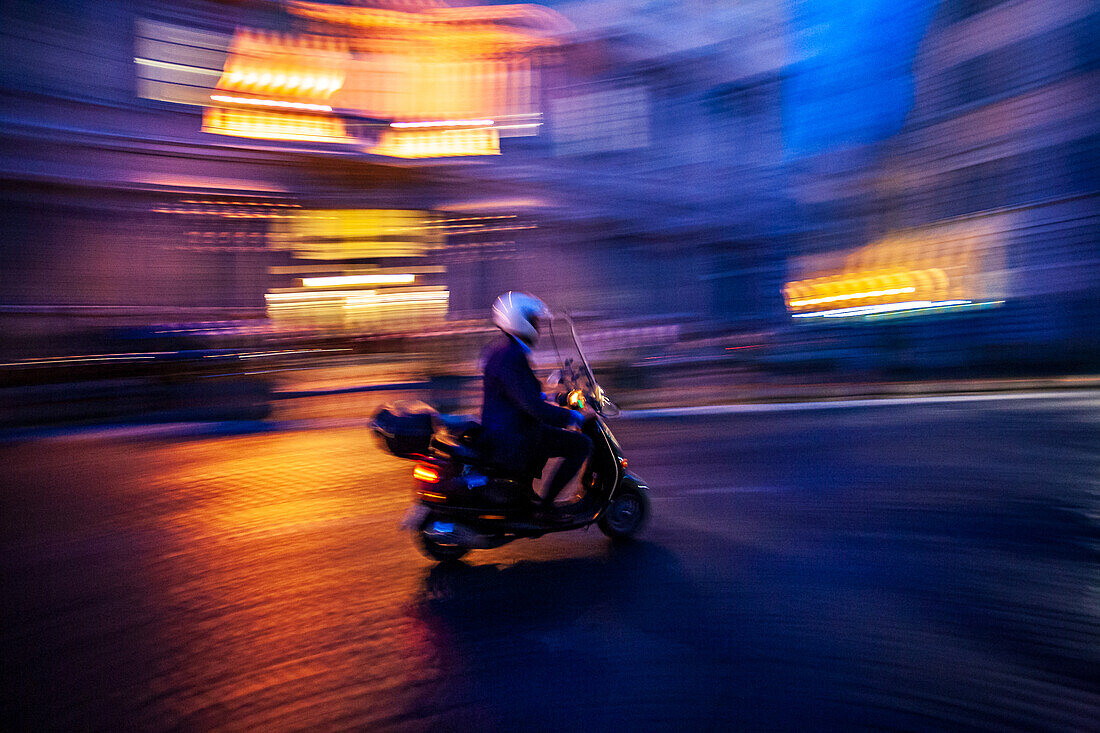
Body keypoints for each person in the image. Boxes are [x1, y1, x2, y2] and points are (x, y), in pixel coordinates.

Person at [480, 292, 593, 521]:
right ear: (519, 321)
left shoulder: (505, 351)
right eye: (534, 320)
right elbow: (533, 407)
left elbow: (519, 394)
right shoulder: (511, 357)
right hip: (513, 436)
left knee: (553, 437)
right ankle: (546, 508)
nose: (538, 326)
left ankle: (533, 499)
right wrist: (574, 418)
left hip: (509, 428)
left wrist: (556, 399)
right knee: (581, 444)